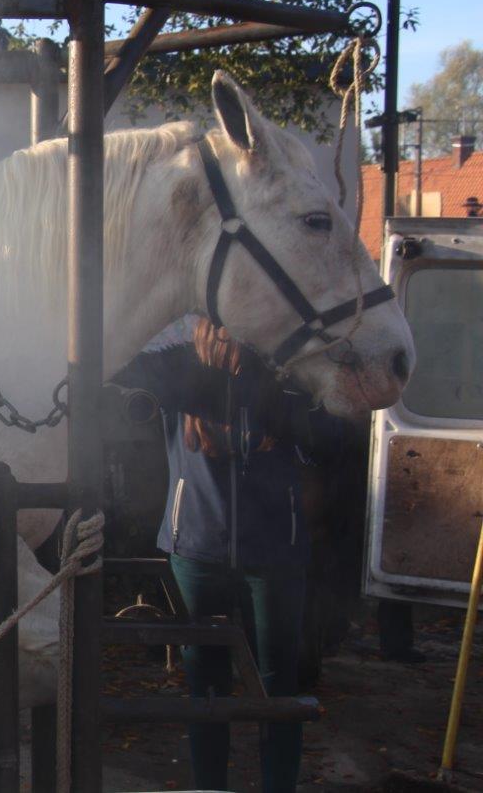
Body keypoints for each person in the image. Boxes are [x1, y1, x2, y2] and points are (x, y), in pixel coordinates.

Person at [114, 316, 352, 793]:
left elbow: (334, 435)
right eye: (228, 329)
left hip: (275, 554)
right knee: (205, 683)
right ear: (208, 330)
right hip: (198, 549)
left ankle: (277, 785)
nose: (239, 340)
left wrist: (292, 410)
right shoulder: (179, 371)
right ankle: (209, 787)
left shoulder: (289, 380)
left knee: (277, 683)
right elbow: (119, 362)